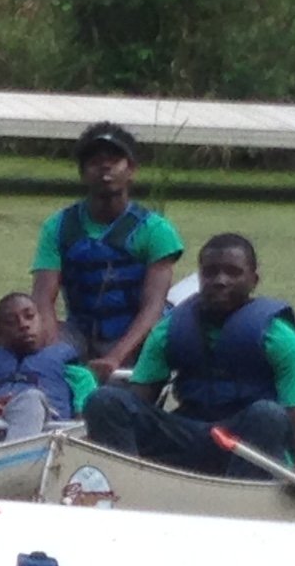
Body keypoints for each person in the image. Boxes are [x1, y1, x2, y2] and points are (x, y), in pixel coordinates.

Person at [81, 234, 295, 496]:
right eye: (211, 273)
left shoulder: (279, 337)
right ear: (200, 277)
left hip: (247, 443)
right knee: (105, 400)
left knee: (268, 414)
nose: (221, 281)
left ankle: (239, 498)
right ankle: (124, 490)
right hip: (188, 436)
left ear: (253, 280)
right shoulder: (168, 331)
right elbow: (139, 402)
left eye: (233, 273)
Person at [31, 121, 186, 380]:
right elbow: (42, 298)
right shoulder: (57, 226)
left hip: (135, 335)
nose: (105, 167)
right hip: (80, 332)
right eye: (94, 161)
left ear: (131, 170)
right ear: (83, 173)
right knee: (28, 346)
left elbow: (153, 306)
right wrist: (49, 344)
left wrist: (115, 357)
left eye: (115, 160)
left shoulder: (156, 230)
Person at [0, 293, 98, 444]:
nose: (23, 325)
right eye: (11, 322)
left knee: (31, 399)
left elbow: (83, 429)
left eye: (29, 316)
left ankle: (13, 457)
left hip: (43, 442)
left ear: (42, 321)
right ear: (0, 332)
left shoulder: (77, 373)